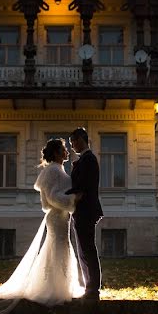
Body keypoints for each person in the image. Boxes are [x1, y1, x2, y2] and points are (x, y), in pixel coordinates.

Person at [0, 138, 85, 310]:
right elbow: (50, 198)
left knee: (58, 248)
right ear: (57, 153)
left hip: (61, 217)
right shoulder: (52, 171)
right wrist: (73, 199)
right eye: (64, 149)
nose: (67, 152)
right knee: (58, 248)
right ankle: (54, 289)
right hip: (57, 217)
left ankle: (59, 285)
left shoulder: (58, 170)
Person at [66, 127, 104, 300]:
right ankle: (90, 287)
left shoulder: (88, 160)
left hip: (86, 210)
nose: (72, 146)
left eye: (73, 142)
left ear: (81, 139)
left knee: (87, 249)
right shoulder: (85, 160)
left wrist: (62, 197)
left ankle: (92, 289)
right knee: (84, 249)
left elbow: (81, 186)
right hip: (83, 210)